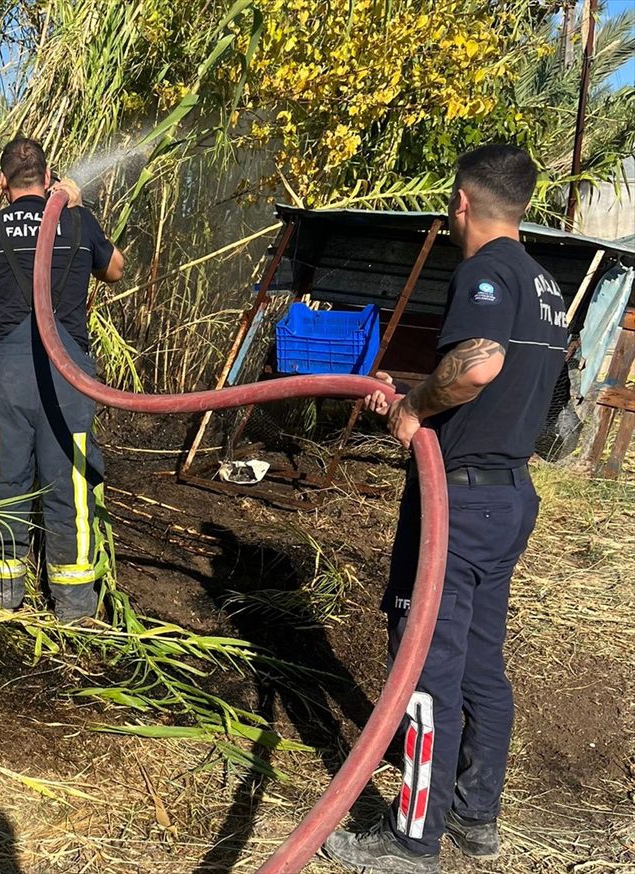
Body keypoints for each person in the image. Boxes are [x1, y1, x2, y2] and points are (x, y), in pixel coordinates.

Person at [324, 144, 567, 872]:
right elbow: (499, 379)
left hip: (455, 507)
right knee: (482, 664)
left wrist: (414, 412)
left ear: (462, 201)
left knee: (426, 665)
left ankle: (411, 842)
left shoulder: (484, 270)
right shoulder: (545, 285)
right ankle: (475, 820)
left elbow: (479, 364)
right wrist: (405, 394)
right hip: (508, 498)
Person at [0, 136, 125, 621]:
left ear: (1, 182)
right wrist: (73, 201)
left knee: (2, 479)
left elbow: (15, 227)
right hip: (68, 371)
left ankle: (0, 598)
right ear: (50, 175)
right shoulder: (78, 220)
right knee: (70, 480)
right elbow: (116, 269)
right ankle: (75, 606)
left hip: (7, 376)